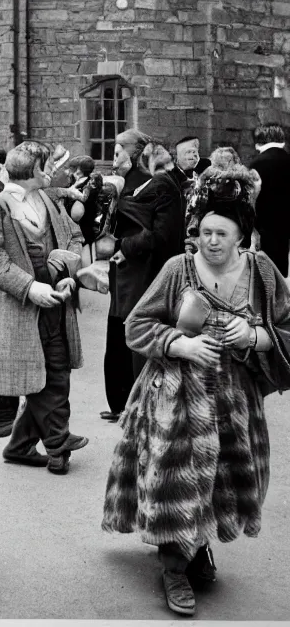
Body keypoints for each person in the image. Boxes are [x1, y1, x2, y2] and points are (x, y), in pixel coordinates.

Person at [102, 165, 290, 616]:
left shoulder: (263, 273)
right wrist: (180, 343)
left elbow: (285, 327)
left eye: (221, 233)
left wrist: (256, 337)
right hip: (175, 394)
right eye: (205, 231)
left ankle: (197, 545)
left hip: (235, 399)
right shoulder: (177, 268)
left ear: (242, 235)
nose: (211, 241)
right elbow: (136, 326)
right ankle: (173, 567)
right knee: (176, 480)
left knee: (221, 480)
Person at [0, 141, 89, 474]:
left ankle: (20, 446)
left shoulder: (46, 198)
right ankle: (58, 442)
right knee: (41, 375)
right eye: (47, 166)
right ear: (34, 171)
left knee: (57, 370)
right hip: (22, 308)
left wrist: (69, 274)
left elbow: (74, 237)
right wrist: (30, 288)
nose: (52, 172)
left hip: (57, 301)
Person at [101, 141, 185, 422]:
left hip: (144, 273)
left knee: (138, 336)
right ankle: (123, 404)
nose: (114, 159)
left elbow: (162, 235)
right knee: (120, 335)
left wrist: (124, 246)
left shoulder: (162, 185)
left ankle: (137, 408)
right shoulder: (137, 183)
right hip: (126, 273)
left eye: (117, 152)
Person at [249, 123, 290, 276]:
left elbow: (252, 196)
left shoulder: (257, 163)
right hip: (286, 223)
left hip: (265, 225)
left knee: (266, 272)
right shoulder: (288, 159)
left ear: (258, 142)